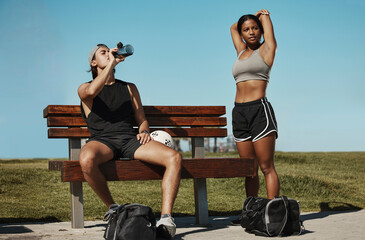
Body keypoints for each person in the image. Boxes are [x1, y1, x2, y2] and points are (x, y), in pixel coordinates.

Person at [78, 43, 181, 239]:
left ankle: (166, 219)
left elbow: (141, 118)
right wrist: (112, 62)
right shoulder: (84, 88)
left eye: (110, 51)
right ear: (93, 62)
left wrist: (144, 131)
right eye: (103, 52)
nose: (109, 54)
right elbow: (91, 92)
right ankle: (114, 209)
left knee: (174, 157)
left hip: (129, 140)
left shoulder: (129, 87)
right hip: (102, 141)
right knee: (86, 159)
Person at [230, 9, 280, 209]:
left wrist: (262, 16)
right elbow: (232, 27)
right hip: (239, 112)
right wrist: (249, 18)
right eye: (246, 29)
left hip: (259, 111)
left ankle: (272, 212)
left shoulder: (267, 49)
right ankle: (250, 212)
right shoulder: (241, 51)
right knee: (248, 169)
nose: (251, 32)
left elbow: (266, 26)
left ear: (260, 31)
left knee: (266, 167)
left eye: (254, 28)